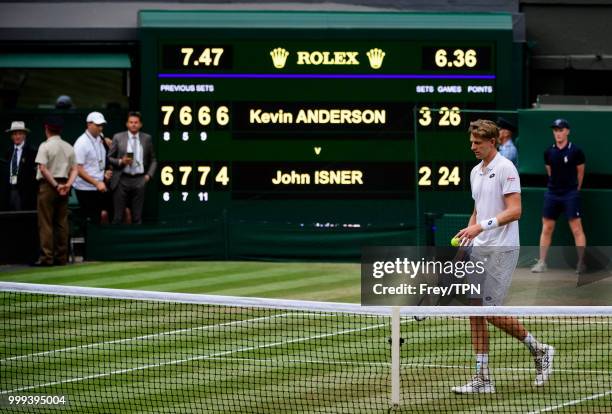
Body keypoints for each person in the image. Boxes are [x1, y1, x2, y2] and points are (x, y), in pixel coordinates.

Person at [451, 119, 554, 394]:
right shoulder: (475, 172)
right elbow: (478, 210)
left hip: (503, 248)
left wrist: (479, 227)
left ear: (492, 142)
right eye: (471, 142)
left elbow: (515, 211)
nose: (472, 147)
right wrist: (466, 242)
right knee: (474, 311)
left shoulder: (506, 169)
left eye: (477, 143)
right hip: (480, 247)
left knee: (489, 309)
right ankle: (483, 379)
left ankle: (540, 349)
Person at [531, 118, 586, 274]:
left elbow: (580, 172)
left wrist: (575, 190)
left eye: (561, 130)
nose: (558, 133)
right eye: (555, 130)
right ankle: (542, 262)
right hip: (552, 193)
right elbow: (550, 172)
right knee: (547, 227)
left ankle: (581, 263)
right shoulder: (549, 152)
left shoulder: (576, 151)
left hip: (570, 194)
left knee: (576, 228)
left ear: (567, 131)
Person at [34, 116, 78, 266]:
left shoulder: (44, 146)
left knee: (46, 223)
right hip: (64, 187)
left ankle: (47, 258)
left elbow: (43, 168)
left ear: (46, 128)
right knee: (61, 223)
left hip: (48, 186)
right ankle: (61, 257)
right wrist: (67, 185)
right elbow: (75, 169)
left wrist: (55, 185)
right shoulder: (68, 147)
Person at [108, 111, 157, 224]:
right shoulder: (118, 137)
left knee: (137, 217)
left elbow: (153, 160)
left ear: (140, 125)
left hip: (139, 179)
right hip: (121, 179)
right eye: (131, 122)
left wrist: (148, 176)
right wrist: (121, 161)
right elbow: (109, 158)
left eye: (136, 122)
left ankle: (137, 240)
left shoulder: (147, 138)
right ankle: (117, 239)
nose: (133, 124)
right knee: (118, 217)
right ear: (127, 124)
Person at [73, 112, 108, 224]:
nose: (100, 128)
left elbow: (96, 162)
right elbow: (78, 169)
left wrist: (104, 174)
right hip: (85, 189)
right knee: (90, 221)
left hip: (98, 187)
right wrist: (96, 183)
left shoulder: (100, 138)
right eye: (98, 125)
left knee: (99, 218)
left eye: (102, 125)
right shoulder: (81, 143)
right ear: (88, 125)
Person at [4, 121, 38, 210]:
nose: (17, 136)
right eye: (15, 134)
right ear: (11, 136)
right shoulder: (9, 151)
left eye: (20, 133)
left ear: (25, 135)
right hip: (10, 190)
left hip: (25, 193)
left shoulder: (32, 151)